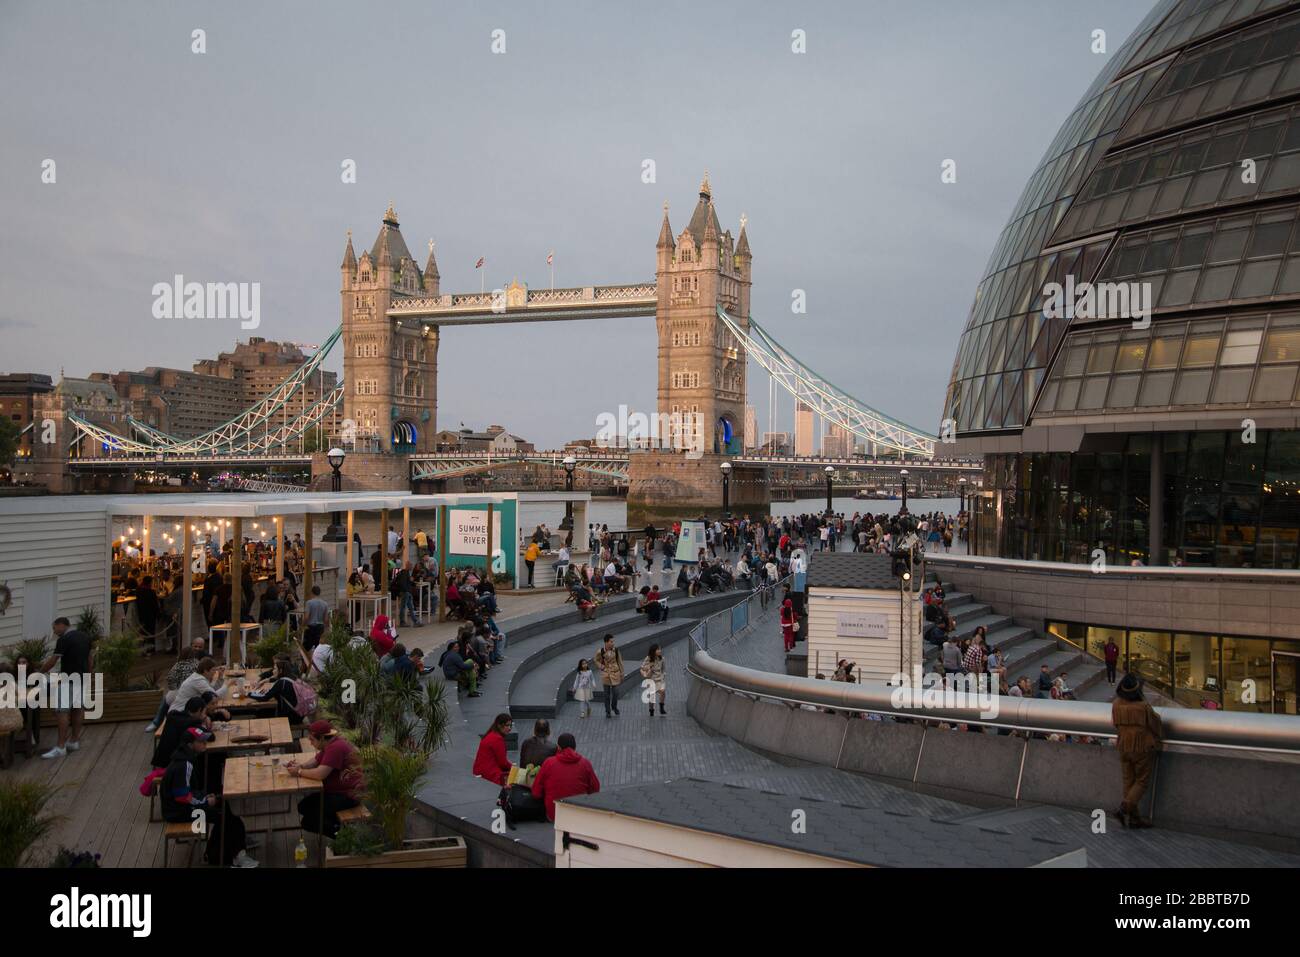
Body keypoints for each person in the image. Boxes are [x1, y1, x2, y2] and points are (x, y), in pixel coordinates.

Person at [160, 726, 257, 867]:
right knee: (223, 816)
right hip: (177, 812)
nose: (205, 743)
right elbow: (182, 797)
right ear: (190, 744)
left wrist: (204, 796)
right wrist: (205, 801)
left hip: (179, 807)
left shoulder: (184, 757)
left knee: (225, 810)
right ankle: (226, 858)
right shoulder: (184, 764)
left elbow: (190, 791)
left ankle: (229, 852)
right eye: (201, 741)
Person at [286, 720, 363, 838]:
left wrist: (300, 772)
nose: (311, 743)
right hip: (340, 792)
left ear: (322, 738)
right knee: (305, 808)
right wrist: (300, 766)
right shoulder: (331, 743)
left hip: (348, 796)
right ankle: (336, 826)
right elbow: (315, 761)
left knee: (308, 819)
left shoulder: (336, 747)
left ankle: (342, 836)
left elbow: (320, 774)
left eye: (312, 740)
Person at [1112, 674, 1163, 829]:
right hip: (1141, 747)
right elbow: (1155, 724)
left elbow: (1115, 724)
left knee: (1129, 781)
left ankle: (1134, 819)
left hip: (1123, 746)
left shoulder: (1116, 704)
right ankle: (1124, 809)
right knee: (1141, 781)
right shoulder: (1143, 707)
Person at [40, 617, 94, 759]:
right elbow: (90, 658)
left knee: (62, 712)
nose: (54, 631)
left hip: (68, 679)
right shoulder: (85, 637)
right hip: (82, 679)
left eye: (54, 628)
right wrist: (89, 675)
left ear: (61, 625)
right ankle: (74, 741)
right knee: (78, 709)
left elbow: (53, 661)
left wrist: (39, 672)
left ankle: (61, 746)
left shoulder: (64, 640)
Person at [530, 733, 600, 822]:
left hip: (555, 813)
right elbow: (595, 788)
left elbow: (536, 792)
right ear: (575, 747)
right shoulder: (585, 763)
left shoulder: (549, 763)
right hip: (579, 812)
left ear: (559, 747)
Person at [473, 713, 513, 786]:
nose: (509, 728)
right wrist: (514, 769)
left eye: (510, 726)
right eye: (507, 725)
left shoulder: (490, 735)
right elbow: (503, 763)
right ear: (499, 725)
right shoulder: (497, 739)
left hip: (480, 771)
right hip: (490, 774)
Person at [592, 634, 624, 718]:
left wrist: (622, 673)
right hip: (606, 674)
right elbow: (595, 660)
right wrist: (601, 666)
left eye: (613, 641)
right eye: (611, 641)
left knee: (616, 692)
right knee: (606, 695)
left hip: (615, 673)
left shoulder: (616, 650)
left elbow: (620, 662)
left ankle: (614, 706)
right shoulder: (601, 651)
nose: (613, 643)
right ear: (606, 642)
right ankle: (608, 711)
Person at [640, 644, 666, 716]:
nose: (660, 651)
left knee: (663, 692)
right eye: (658, 649)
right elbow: (642, 668)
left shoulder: (662, 659)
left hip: (660, 679)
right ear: (653, 651)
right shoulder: (648, 658)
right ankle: (651, 710)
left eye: (660, 649)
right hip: (651, 680)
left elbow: (663, 669)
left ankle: (661, 707)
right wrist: (647, 670)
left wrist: (663, 675)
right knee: (652, 698)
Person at [303, 585, 330, 651]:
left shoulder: (309, 603)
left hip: (310, 627)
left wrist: (303, 625)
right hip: (320, 627)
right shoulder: (325, 604)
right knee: (318, 647)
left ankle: (307, 660)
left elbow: (306, 617)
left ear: (312, 592)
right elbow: (326, 619)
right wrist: (327, 627)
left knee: (307, 647)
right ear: (319, 593)